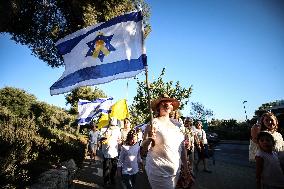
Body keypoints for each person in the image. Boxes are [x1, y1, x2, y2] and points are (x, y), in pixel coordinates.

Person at [141, 94, 190, 189]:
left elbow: (182, 147)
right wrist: (149, 139)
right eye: (163, 102)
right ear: (158, 106)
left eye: (169, 102)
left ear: (172, 107)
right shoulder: (153, 123)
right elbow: (143, 151)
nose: (167, 104)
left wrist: (186, 168)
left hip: (175, 171)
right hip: (159, 172)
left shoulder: (178, 125)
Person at [101, 118, 122, 186]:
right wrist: (105, 137)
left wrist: (120, 141)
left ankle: (112, 179)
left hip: (115, 152)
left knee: (114, 167)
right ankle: (106, 181)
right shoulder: (104, 128)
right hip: (106, 152)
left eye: (114, 125)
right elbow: (100, 138)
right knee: (106, 167)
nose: (113, 127)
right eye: (112, 125)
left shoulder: (118, 129)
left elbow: (119, 139)